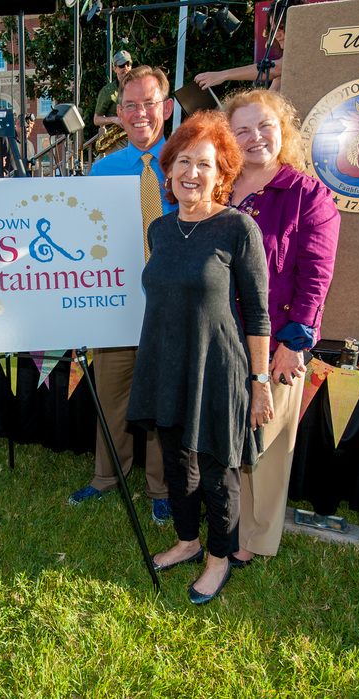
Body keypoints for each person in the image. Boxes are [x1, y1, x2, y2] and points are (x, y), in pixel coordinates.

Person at [127, 110, 273, 605]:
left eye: (204, 164)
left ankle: (218, 559)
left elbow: (257, 313)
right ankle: (187, 541)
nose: (192, 173)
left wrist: (260, 381)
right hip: (166, 365)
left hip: (218, 370)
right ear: (167, 171)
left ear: (222, 174)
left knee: (217, 470)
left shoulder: (238, 228)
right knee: (176, 464)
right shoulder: (160, 231)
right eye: (183, 162)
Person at [222, 88, 340, 567]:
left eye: (264, 125)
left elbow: (316, 278)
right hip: (221, 336)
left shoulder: (307, 194)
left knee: (265, 445)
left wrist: (295, 343)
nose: (254, 137)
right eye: (241, 130)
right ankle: (226, 523)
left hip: (274, 343)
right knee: (227, 439)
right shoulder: (218, 189)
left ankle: (255, 539)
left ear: (282, 129)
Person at [70, 65, 176, 525]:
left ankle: (161, 488)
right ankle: (107, 476)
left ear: (167, 107)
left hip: (172, 306)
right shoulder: (102, 169)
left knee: (163, 398)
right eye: (130, 105)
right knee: (111, 394)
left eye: (149, 103)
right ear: (119, 113)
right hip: (116, 304)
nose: (140, 114)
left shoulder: (190, 161)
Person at [194, 0, 305, 93]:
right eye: (274, 30)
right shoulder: (282, 68)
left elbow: (276, 69)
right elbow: (271, 97)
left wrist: (222, 75)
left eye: (281, 28)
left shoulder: (308, 50)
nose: (276, 35)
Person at [94, 50, 133, 129]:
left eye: (128, 64)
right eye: (121, 65)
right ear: (115, 69)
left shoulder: (138, 87)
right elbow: (97, 120)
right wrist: (115, 120)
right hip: (119, 138)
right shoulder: (107, 91)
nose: (125, 68)